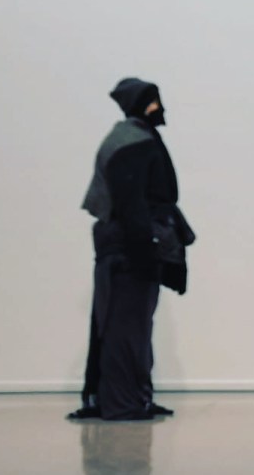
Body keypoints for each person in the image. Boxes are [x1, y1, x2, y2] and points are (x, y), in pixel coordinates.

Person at [69, 78, 195, 421]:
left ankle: (135, 399)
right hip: (128, 249)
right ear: (138, 105)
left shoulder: (134, 137)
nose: (159, 108)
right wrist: (144, 251)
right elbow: (131, 204)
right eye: (152, 102)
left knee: (132, 325)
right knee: (125, 326)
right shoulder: (130, 142)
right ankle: (123, 403)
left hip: (130, 246)